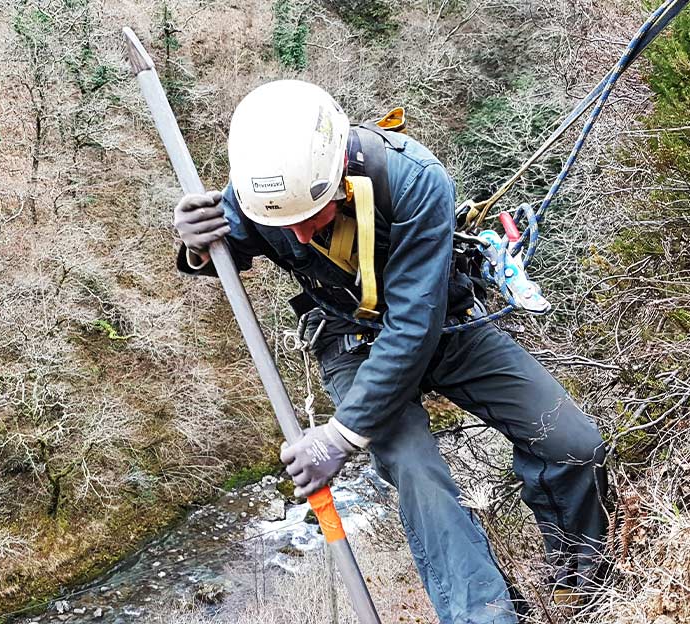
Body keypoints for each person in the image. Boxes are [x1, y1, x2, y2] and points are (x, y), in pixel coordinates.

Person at [172, 79, 608, 623]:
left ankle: (579, 580)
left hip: (441, 327)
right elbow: (226, 249)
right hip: (348, 339)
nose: (301, 236)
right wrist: (196, 245)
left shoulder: (414, 180)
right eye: (285, 225)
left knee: (574, 442)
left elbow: (414, 326)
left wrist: (340, 434)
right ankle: (487, 615)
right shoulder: (265, 193)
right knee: (418, 472)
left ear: (336, 177)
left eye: (313, 216)